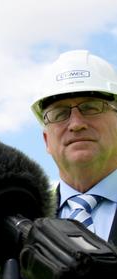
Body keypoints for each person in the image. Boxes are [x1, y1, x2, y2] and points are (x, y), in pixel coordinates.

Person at [31, 49, 117, 245]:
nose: (76, 124)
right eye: (60, 113)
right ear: (46, 140)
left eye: (91, 107)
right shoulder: (27, 224)